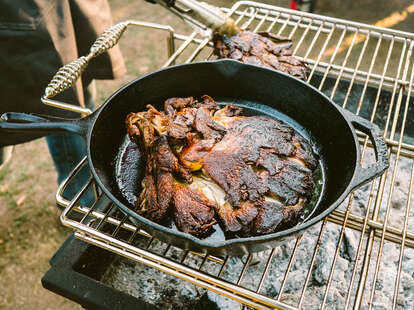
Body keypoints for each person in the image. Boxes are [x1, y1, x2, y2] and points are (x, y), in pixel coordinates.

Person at [0, 0, 126, 203]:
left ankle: (81, 199)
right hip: (13, 22)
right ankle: (81, 201)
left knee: (75, 100)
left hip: (62, 12)